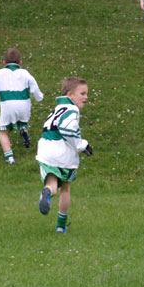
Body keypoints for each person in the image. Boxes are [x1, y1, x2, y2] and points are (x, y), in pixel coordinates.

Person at [36, 77, 93, 233]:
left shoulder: (57, 109)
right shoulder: (72, 110)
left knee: (52, 183)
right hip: (63, 154)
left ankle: (47, 193)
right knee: (66, 188)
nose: (86, 97)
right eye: (82, 93)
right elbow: (67, 129)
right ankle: (61, 226)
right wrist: (83, 145)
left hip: (46, 152)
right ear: (70, 95)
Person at [0, 47, 44, 165]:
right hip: (24, 104)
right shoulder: (25, 73)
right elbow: (34, 86)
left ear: (3, 62)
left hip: (7, 105)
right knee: (22, 118)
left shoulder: (0, 73)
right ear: (20, 62)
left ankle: (10, 158)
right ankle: (23, 127)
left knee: (3, 131)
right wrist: (39, 97)